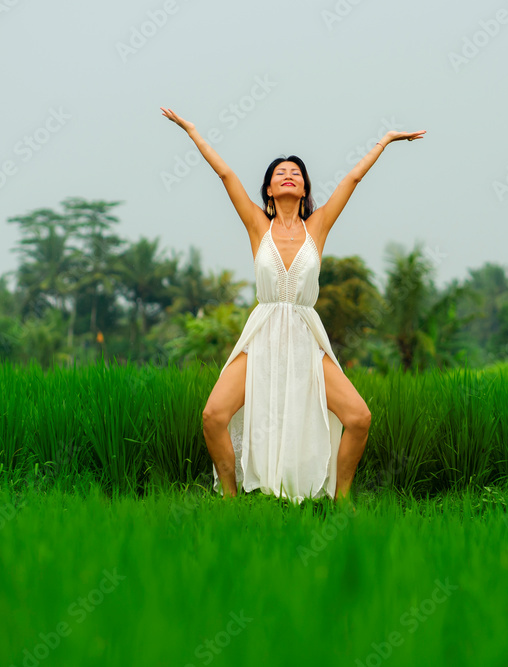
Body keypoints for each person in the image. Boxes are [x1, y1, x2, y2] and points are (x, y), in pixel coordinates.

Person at [161, 107, 425, 506]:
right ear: (269, 189)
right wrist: (192, 130)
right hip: (263, 330)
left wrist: (385, 142)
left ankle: (341, 504)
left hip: (304, 333)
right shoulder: (256, 225)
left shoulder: (317, 226)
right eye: (280, 173)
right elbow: (226, 175)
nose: (288, 175)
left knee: (359, 417)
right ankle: (230, 503)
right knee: (213, 416)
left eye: (296, 173)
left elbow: (352, 179)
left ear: (304, 190)